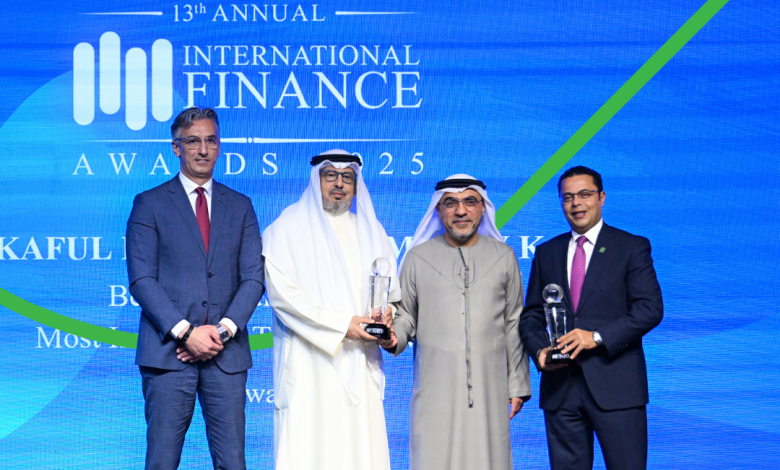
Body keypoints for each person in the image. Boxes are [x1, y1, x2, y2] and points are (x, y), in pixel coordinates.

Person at [126, 107, 265, 470]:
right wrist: (187, 334)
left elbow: (254, 278)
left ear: (219, 146)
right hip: (167, 356)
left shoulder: (241, 206)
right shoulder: (149, 203)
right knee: (162, 462)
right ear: (176, 147)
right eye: (193, 141)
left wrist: (220, 333)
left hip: (226, 355)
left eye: (211, 140)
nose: (203, 149)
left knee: (233, 463)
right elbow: (141, 279)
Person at [262, 149, 400, 470]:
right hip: (309, 363)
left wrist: (387, 314)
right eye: (330, 176)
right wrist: (343, 325)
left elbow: (392, 294)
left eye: (347, 177)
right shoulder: (285, 230)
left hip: (361, 362)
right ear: (316, 180)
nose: (339, 184)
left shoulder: (373, 232)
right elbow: (284, 298)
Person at [519, 165, 663, 469]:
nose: (576, 203)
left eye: (584, 194)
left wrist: (596, 337)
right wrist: (540, 351)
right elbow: (531, 315)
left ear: (601, 197)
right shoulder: (547, 252)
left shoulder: (631, 247)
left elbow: (649, 309)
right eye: (568, 197)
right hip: (560, 389)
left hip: (617, 386)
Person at [386, 174, 532, 470]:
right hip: (435, 388)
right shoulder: (417, 258)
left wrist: (517, 384)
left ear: (483, 208)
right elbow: (406, 317)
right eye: (451, 202)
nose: (461, 211)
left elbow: (514, 322)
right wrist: (392, 338)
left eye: (470, 202)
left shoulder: (503, 256)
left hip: (490, 388)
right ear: (438, 210)